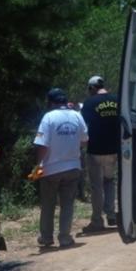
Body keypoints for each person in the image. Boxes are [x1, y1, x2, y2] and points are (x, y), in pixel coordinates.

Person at [34, 87, 88, 248]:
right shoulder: (77, 116)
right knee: (67, 204)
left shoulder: (48, 117)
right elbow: (85, 140)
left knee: (48, 204)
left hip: (51, 168)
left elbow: (42, 144)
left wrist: (38, 165)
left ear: (51, 102)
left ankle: (46, 237)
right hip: (73, 166)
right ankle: (64, 237)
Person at [80, 75, 119, 232]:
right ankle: (111, 215)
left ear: (91, 88)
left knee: (97, 186)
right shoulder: (117, 100)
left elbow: (83, 126)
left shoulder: (89, 103)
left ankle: (97, 221)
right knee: (110, 181)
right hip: (115, 149)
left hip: (96, 150)